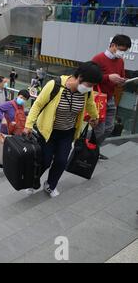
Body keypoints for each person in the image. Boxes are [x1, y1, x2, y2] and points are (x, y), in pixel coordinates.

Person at [23, 62, 101, 198]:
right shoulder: (55, 85)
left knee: (61, 161)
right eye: (89, 85)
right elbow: (37, 105)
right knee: (45, 161)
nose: (90, 88)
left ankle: (50, 185)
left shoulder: (86, 93)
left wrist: (95, 117)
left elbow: (90, 105)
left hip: (68, 132)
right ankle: (32, 182)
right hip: (48, 132)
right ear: (80, 77)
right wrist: (28, 125)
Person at [91, 34, 131, 160]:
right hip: (98, 98)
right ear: (113, 45)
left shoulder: (120, 61)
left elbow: (121, 75)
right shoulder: (98, 58)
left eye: (124, 51)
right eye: (121, 50)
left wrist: (122, 80)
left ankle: (93, 149)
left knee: (109, 128)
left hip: (110, 97)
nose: (122, 53)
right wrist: (108, 77)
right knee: (99, 129)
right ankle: (89, 150)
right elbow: (89, 76)